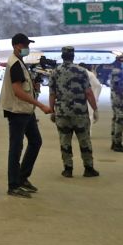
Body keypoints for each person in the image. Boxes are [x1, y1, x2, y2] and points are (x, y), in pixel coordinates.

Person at [0, 33, 52, 199]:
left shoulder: (20, 62)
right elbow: (17, 91)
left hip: (26, 110)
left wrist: (35, 86)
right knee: (16, 148)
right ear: (17, 46)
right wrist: (41, 105)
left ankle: (22, 178)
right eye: (25, 45)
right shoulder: (14, 63)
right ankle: (13, 185)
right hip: (17, 111)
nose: (27, 48)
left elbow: (24, 87)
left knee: (36, 142)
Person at [48, 47, 100, 178]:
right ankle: (88, 169)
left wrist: (52, 110)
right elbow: (88, 92)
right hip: (80, 113)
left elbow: (52, 94)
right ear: (73, 56)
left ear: (62, 56)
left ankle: (68, 169)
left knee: (65, 140)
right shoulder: (82, 71)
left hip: (62, 113)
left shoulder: (55, 72)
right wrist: (95, 109)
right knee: (84, 141)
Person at [79, 62, 102, 134]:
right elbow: (98, 85)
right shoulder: (90, 74)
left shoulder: (76, 73)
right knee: (89, 115)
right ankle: (88, 131)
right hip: (89, 98)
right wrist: (96, 97)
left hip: (78, 98)